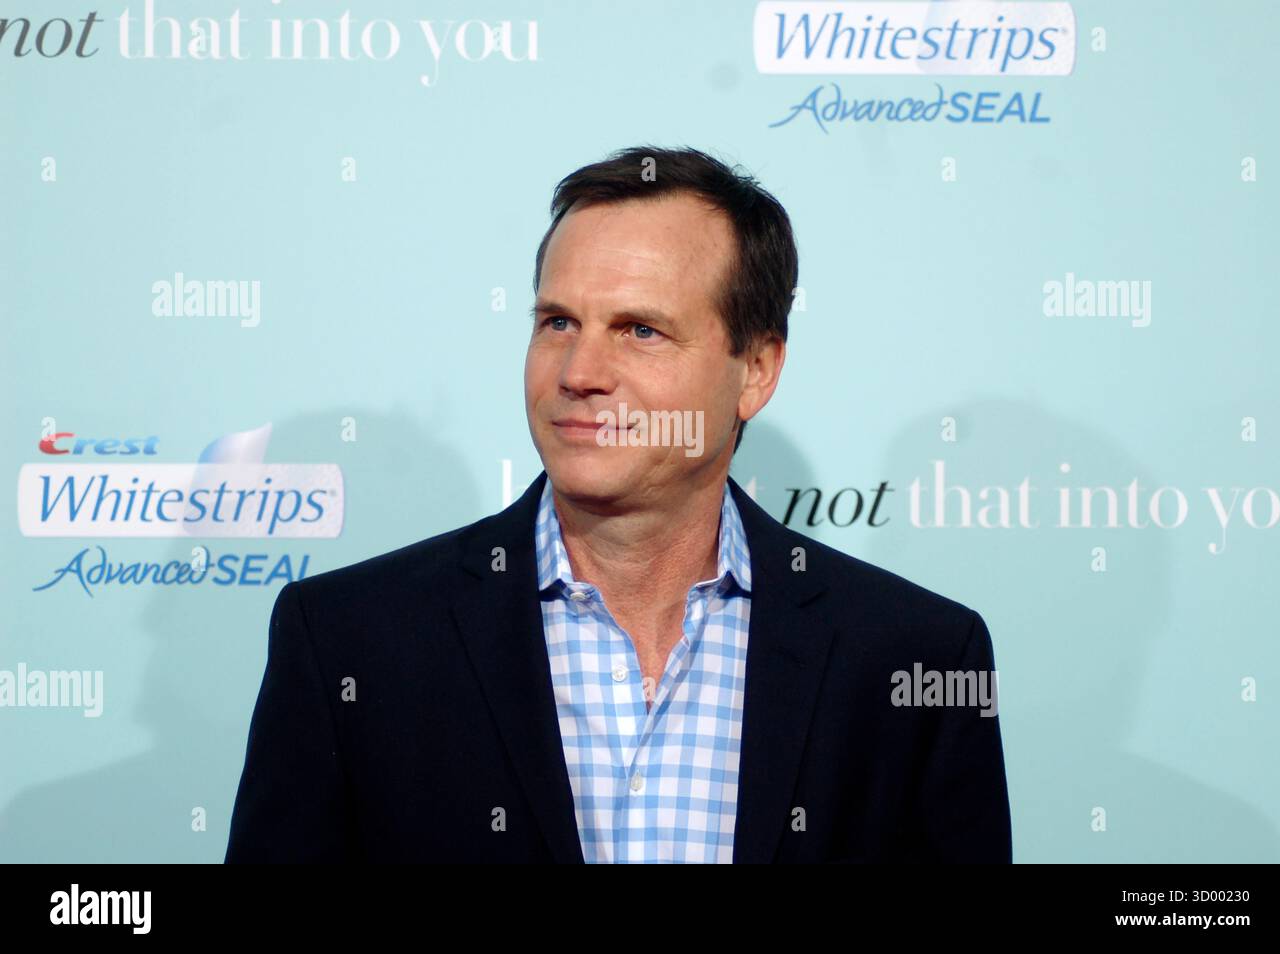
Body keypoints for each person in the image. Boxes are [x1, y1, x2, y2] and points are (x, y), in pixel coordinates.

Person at [225, 145, 1011, 863]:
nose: (579, 370)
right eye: (557, 322)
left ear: (757, 370)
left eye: (639, 331)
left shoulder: (917, 657)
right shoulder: (350, 642)